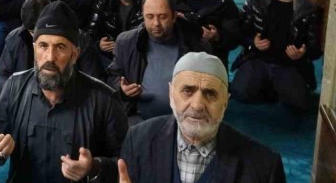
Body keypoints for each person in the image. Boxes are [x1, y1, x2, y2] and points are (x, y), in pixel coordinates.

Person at [0, 0, 128, 182]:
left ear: (75, 54)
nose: (50, 57)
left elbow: (125, 162)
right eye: (43, 46)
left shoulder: (105, 100)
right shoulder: (14, 86)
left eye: (60, 47)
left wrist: (93, 167)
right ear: (34, 49)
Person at [118, 52, 286, 183]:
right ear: (171, 94)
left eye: (210, 94)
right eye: (187, 91)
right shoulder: (137, 141)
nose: (197, 105)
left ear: (225, 102)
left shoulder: (264, 166)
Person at [231, 0, 322, 113]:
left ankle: (274, 86)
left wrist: (303, 53)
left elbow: (316, 47)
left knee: (298, 104)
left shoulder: (309, 7)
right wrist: (253, 41)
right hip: (258, 58)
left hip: (290, 64)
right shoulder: (256, 0)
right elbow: (240, 31)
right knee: (240, 93)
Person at [106, 0, 207, 123]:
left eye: (162, 17)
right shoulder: (126, 42)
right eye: (149, 16)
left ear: (174, 16)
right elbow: (113, 75)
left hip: (184, 120)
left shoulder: (196, 45)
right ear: (142, 16)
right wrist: (122, 90)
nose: (156, 23)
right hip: (137, 119)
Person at [171, 0, 240, 67]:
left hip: (214, 61)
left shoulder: (222, 0)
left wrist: (218, 37)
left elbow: (236, 35)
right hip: (180, 62)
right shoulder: (173, 4)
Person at [86, 0, 145, 68]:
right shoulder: (105, 0)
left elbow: (144, 40)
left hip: (132, 56)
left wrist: (121, 47)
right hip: (106, 55)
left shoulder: (145, 6)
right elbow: (91, 30)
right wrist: (98, 44)